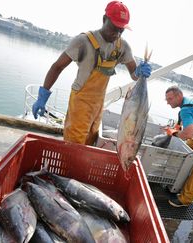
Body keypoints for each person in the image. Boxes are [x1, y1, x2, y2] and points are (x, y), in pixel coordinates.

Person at [32, 1, 151, 145]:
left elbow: (134, 74)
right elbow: (57, 67)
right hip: (80, 103)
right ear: (104, 19)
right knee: (73, 145)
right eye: (114, 27)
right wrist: (43, 95)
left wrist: (140, 72)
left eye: (121, 29)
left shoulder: (122, 46)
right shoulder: (83, 41)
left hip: (98, 104)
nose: (117, 34)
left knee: (89, 144)